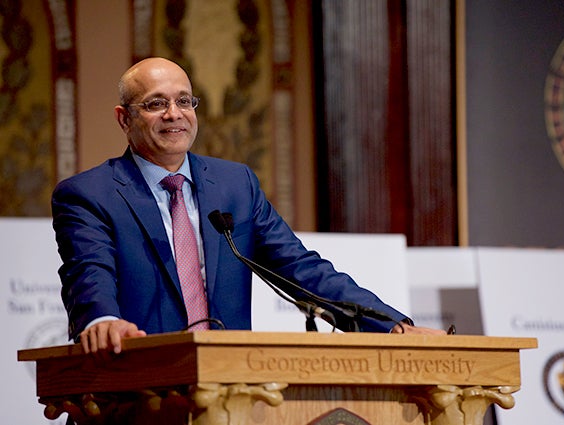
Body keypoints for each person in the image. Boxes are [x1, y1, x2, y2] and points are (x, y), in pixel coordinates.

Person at [51, 57, 445, 355]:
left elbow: (299, 268)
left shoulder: (234, 184)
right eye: (156, 104)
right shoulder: (89, 195)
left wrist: (391, 327)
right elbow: (89, 273)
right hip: (135, 391)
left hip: (230, 390)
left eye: (184, 101)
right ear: (125, 119)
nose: (174, 114)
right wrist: (102, 322)